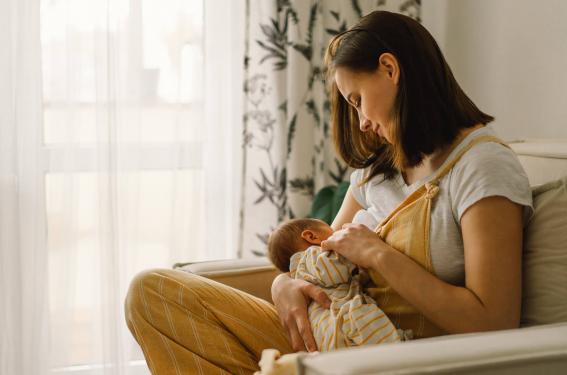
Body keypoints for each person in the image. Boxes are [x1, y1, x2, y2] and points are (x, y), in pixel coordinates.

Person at [124, 10, 533, 375]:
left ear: (390, 69)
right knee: (152, 292)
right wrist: (282, 285)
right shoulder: (379, 170)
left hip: (392, 354)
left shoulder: (482, 166)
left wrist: (378, 255)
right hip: (329, 339)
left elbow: (493, 320)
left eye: (357, 100)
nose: (361, 122)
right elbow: (319, 260)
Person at [267, 216, 409, 352]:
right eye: (333, 232)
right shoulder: (311, 255)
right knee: (369, 328)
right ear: (312, 237)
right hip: (340, 318)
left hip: (326, 332)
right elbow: (334, 270)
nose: (338, 234)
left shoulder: (302, 271)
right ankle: (398, 348)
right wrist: (356, 251)